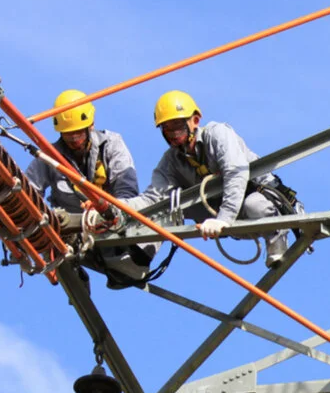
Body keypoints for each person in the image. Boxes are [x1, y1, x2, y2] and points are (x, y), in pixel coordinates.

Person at [127, 90, 295, 268]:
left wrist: (224, 218)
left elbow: (235, 173)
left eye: (177, 125)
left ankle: (277, 241)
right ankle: (136, 262)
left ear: (195, 121)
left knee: (253, 204)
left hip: (259, 201)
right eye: (167, 128)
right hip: (226, 216)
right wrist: (114, 209)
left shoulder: (218, 134)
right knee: (168, 209)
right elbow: (152, 199)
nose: (174, 133)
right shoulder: (171, 161)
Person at [25, 90, 154, 288]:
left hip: (111, 227)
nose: (74, 139)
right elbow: (28, 193)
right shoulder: (48, 157)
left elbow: (127, 191)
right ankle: (73, 268)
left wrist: (104, 211)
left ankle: (121, 262)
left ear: (90, 126)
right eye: (68, 134)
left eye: (78, 132)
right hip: (71, 234)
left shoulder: (111, 145)